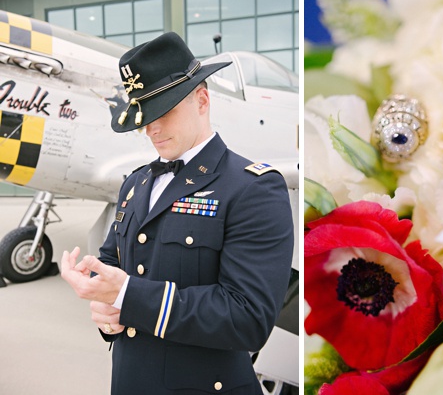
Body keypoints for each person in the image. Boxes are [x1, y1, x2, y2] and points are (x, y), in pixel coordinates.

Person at [61, 32, 295, 395]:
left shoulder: (253, 188)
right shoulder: (135, 183)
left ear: (202, 100)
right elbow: (113, 262)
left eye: (164, 111)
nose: (151, 128)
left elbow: (248, 319)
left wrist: (127, 295)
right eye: (144, 115)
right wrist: (103, 305)